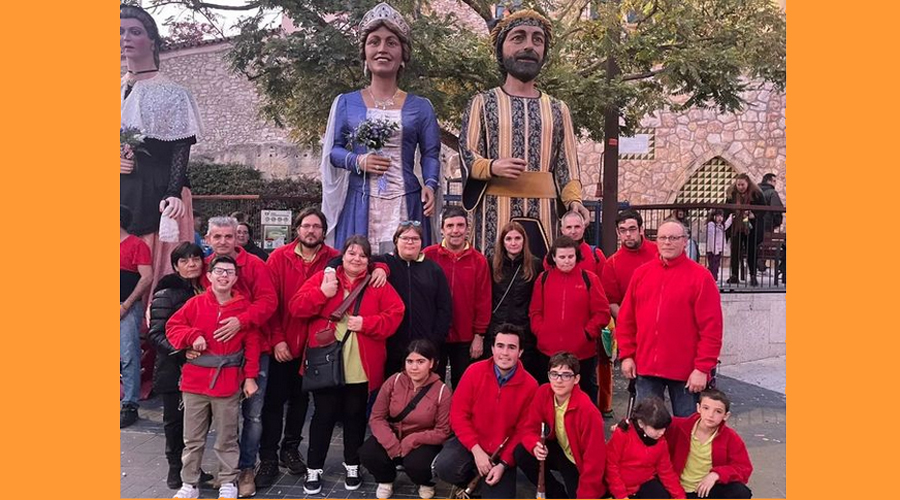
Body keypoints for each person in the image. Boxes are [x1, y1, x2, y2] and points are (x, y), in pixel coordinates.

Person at [459, 9, 588, 259]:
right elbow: (468, 154)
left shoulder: (558, 109)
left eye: (537, 40)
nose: (529, 46)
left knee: (543, 274)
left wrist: (574, 201)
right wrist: (492, 166)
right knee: (495, 272)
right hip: (493, 211)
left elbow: (567, 165)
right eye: (518, 38)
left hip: (545, 213)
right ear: (501, 49)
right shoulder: (482, 103)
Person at [321, 2, 441, 252]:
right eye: (374, 42)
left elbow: (430, 153)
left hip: (408, 200)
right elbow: (334, 151)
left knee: (407, 266)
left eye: (391, 42)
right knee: (358, 265)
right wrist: (358, 160)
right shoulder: (346, 103)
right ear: (364, 52)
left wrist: (430, 184)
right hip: (360, 201)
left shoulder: (421, 107)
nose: (382, 49)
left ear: (403, 54)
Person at [289, 235, 405, 494]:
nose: (356, 259)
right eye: (352, 253)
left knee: (355, 415)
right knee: (323, 415)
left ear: (369, 259)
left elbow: (395, 314)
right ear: (342, 255)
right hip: (326, 359)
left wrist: (367, 323)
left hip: (361, 362)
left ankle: (352, 463)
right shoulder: (325, 278)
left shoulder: (377, 283)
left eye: (363, 255)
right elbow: (296, 308)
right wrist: (322, 293)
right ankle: (314, 467)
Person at [121, 4, 202, 293]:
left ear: (152, 41)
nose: (125, 38)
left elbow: (181, 148)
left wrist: (172, 192)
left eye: (135, 31)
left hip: (159, 190)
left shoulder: (174, 94)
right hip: (121, 190)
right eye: (120, 32)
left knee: (156, 266)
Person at [255, 208, 338, 488]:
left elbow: (365, 263)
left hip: (314, 348)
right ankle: (267, 456)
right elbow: (269, 302)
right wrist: (277, 339)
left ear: (323, 231)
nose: (311, 231)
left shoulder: (334, 259)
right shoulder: (279, 258)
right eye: (306, 226)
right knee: (274, 403)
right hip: (283, 344)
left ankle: (289, 449)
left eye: (316, 226)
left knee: (301, 402)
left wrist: (382, 269)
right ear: (298, 229)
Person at [166, 255, 262, 499]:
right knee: (192, 438)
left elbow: (252, 345)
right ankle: (190, 482)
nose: (224, 276)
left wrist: (250, 377)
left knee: (227, 437)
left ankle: (228, 480)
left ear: (236, 278)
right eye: (219, 271)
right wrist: (191, 336)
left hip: (227, 381)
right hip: (194, 381)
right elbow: (173, 327)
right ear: (209, 276)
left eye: (229, 272)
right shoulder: (195, 304)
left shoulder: (244, 309)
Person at [616, 221, 723, 417]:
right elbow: (626, 319)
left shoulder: (701, 277)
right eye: (663, 238)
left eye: (673, 238)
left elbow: (711, 329)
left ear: (685, 242)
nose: (667, 242)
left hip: (686, 372)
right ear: (656, 241)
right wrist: (627, 355)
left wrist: (702, 368)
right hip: (645, 367)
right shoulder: (641, 274)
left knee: (687, 427)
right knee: (646, 427)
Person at [203, 216, 277, 497]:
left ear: (238, 237)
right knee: (224, 415)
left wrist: (241, 321)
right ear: (208, 239)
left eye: (228, 236)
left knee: (253, 414)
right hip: (217, 353)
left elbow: (268, 302)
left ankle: (246, 468)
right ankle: (227, 470)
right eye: (217, 236)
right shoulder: (203, 266)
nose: (223, 241)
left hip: (255, 349)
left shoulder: (255, 265)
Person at [433, 324, 538, 498]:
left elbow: (523, 431)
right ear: (492, 348)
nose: (505, 353)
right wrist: (476, 450)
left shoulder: (531, 386)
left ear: (520, 352)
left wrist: (504, 464)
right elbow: (458, 415)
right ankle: (474, 481)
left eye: (511, 347)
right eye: (500, 346)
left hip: (502, 453)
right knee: (445, 467)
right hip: (472, 443)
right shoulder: (474, 371)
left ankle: (482, 482)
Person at [147, 242, 214, 489]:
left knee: (199, 422)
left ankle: (192, 467)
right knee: (175, 422)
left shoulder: (207, 289)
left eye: (195, 259)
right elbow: (156, 334)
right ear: (175, 266)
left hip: (203, 368)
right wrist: (181, 352)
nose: (191, 264)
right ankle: (176, 469)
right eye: (184, 261)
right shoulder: (167, 292)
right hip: (173, 368)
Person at [360, 340, 452, 499]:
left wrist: (412, 440)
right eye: (410, 361)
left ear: (431, 363)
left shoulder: (442, 391)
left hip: (423, 440)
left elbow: (443, 431)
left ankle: (425, 482)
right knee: (368, 453)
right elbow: (377, 417)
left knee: (418, 464)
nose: (414, 367)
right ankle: (385, 479)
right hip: (394, 434)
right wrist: (391, 443)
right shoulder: (394, 381)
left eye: (420, 361)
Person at [514, 352, 607, 499]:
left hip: (578, 461)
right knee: (521, 452)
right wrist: (535, 445)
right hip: (560, 449)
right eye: (554, 374)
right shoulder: (543, 392)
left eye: (566, 375)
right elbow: (529, 428)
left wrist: (586, 493)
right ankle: (555, 494)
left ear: (576, 379)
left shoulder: (588, 411)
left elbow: (595, 459)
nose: (559, 380)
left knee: (582, 494)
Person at [530, 236, 610, 402]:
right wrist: (541, 332)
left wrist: (586, 334)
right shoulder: (543, 279)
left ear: (577, 256)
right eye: (562, 257)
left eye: (570, 256)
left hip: (582, 353)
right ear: (553, 257)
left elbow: (602, 313)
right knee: (548, 397)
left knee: (584, 397)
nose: (566, 261)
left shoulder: (590, 279)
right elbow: (535, 312)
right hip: (548, 351)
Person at [423, 206, 492, 389]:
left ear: (467, 229)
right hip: (435, 334)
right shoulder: (428, 255)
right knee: (432, 385)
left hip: (465, 336)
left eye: (460, 225)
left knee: (463, 386)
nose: (455, 230)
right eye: (450, 226)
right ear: (442, 229)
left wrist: (479, 335)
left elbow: (483, 300)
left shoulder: (479, 261)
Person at [375, 221, 452, 377]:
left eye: (415, 238)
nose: (410, 242)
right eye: (405, 238)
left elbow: (444, 308)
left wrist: (435, 339)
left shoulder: (433, 270)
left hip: (425, 348)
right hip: (392, 348)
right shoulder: (385, 263)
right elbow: (346, 259)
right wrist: (379, 267)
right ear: (396, 240)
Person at [667, 389, 753, 499]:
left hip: (706, 490)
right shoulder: (677, 426)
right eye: (706, 408)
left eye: (718, 411)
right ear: (698, 408)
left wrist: (716, 474)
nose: (711, 415)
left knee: (740, 492)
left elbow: (744, 468)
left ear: (726, 416)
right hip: (674, 488)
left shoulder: (731, 437)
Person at [487, 221, 542, 379]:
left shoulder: (535, 264)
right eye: (508, 239)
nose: (513, 243)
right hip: (497, 328)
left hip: (525, 330)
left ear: (524, 240)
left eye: (517, 238)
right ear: (502, 242)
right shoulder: (491, 263)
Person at [606, 397, 685, 499]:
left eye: (664, 428)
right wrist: (621, 495)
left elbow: (666, 472)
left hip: (645, 483)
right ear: (641, 423)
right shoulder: (622, 434)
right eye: (657, 429)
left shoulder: (661, 442)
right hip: (620, 487)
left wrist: (680, 497)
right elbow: (611, 467)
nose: (662, 432)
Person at [120, 205, 152, 428]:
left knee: (129, 355)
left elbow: (146, 277)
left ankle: (130, 403)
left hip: (126, 306)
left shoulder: (137, 245)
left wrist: (126, 304)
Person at [601, 209, 658, 318]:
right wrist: (627, 322)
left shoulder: (659, 252)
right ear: (617, 232)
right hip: (630, 321)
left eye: (632, 229)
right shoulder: (612, 264)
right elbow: (611, 302)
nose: (628, 234)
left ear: (641, 229)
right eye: (623, 230)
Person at [724, 174, 766, 286]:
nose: (740, 187)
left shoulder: (756, 194)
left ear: (747, 183)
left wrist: (754, 214)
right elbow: (726, 208)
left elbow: (763, 209)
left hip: (751, 227)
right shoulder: (732, 194)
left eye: (742, 184)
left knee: (751, 251)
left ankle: (753, 275)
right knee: (735, 250)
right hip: (736, 226)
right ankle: (734, 275)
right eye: (738, 184)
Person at [543, 210, 607, 277]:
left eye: (577, 227)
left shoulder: (596, 255)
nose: (573, 231)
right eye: (569, 227)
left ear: (583, 228)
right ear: (562, 230)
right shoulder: (551, 256)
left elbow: (603, 282)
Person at [757, 173, 784, 276]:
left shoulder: (755, 191)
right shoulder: (772, 193)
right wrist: (777, 222)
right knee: (765, 246)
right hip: (767, 224)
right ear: (769, 181)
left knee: (756, 244)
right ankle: (761, 267)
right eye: (774, 181)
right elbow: (777, 209)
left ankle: (755, 267)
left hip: (754, 224)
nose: (775, 183)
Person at [705, 209, 732, 278]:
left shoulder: (720, 225)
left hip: (718, 249)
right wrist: (714, 249)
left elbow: (726, 226)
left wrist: (731, 218)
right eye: (718, 216)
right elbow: (711, 238)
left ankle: (713, 278)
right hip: (712, 250)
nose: (720, 218)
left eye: (721, 216)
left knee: (716, 265)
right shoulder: (711, 225)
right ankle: (712, 278)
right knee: (713, 266)